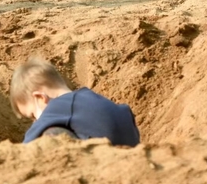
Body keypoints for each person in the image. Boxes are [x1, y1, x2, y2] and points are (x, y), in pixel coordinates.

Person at [10, 56, 141, 147]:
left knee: (50, 135)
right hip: (132, 156)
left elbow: (27, 145)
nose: (36, 121)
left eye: (33, 115)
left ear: (40, 98)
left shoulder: (58, 106)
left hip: (104, 169)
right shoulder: (89, 99)